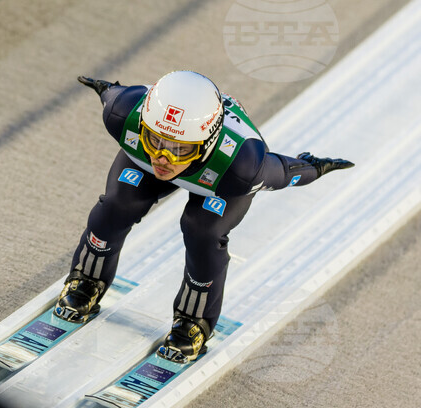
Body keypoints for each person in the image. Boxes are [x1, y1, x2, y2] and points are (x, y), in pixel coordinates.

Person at [55, 70, 354, 363]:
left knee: (203, 232)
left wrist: (313, 167)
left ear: (209, 142)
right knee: (117, 206)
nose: (163, 160)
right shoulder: (122, 112)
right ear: (143, 124)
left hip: (218, 180)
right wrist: (105, 87)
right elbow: (111, 92)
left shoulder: (242, 165)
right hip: (200, 168)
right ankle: (86, 279)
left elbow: (282, 172)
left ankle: (193, 320)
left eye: (178, 149)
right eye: (155, 140)